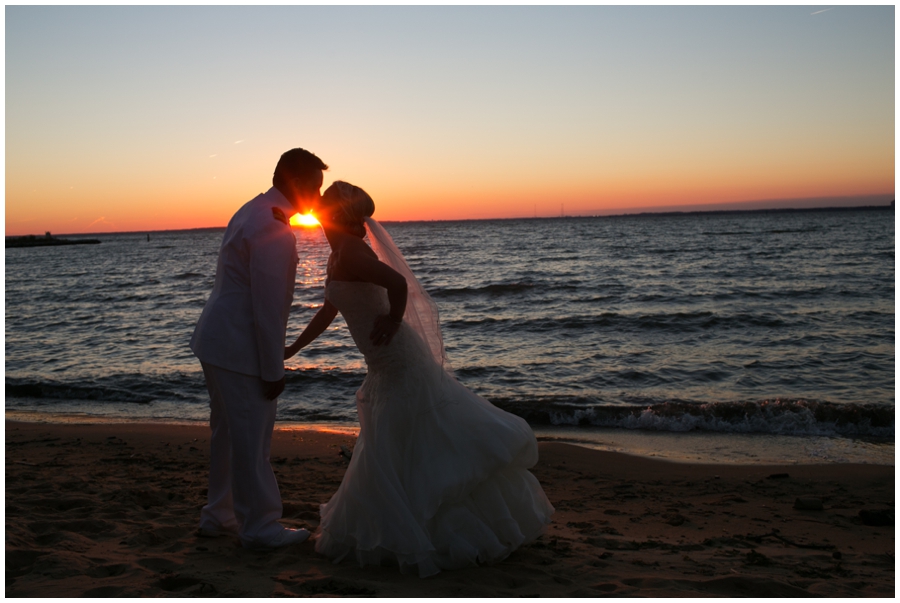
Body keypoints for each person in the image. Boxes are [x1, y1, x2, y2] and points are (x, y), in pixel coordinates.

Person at [285, 181, 554, 577]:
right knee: (396, 443)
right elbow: (329, 310)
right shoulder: (336, 254)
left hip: (398, 360)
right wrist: (293, 349)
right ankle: (408, 526)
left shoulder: (353, 252)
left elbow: (398, 284)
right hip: (383, 365)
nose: (318, 212)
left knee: (406, 441)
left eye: (324, 206)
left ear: (334, 213)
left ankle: (431, 531)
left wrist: (393, 321)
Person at [190, 147, 327, 550]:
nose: (317, 198)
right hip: (238, 347)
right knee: (252, 440)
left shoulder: (253, 209)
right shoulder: (272, 227)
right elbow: (268, 307)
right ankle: (260, 526)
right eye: (315, 187)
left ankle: (219, 513)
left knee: (229, 435)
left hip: (218, 341)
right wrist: (273, 370)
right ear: (296, 181)